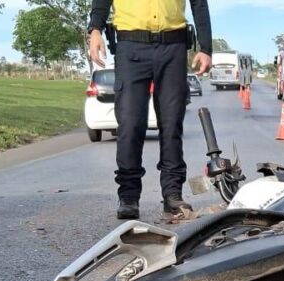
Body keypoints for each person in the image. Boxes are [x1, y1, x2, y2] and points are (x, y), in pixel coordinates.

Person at [88, 0, 212, 220]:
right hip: (130, 47)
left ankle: (173, 195)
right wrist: (95, 29)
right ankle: (128, 196)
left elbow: (199, 4)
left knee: (172, 123)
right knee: (130, 124)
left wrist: (205, 48)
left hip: (173, 46)